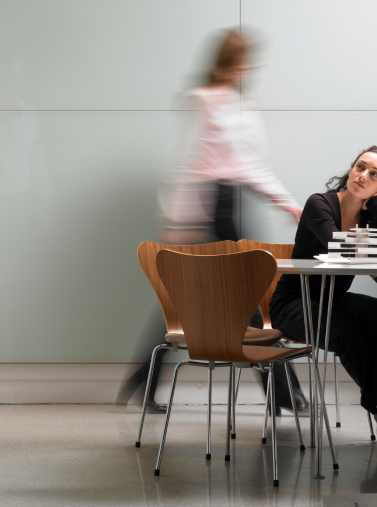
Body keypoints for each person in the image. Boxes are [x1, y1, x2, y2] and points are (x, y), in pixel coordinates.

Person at [119, 29, 307, 412]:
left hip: (233, 204)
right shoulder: (201, 101)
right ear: (229, 61)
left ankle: (143, 378)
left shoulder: (241, 105)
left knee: (220, 297)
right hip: (208, 209)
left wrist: (287, 203)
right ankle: (283, 392)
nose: (249, 65)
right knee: (242, 296)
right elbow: (185, 163)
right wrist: (176, 219)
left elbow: (251, 166)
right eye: (243, 58)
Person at [270, 146, 377, 445]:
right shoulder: (320, 204)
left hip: (332, 299)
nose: (362, 176)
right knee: (349, 334)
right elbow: (340, 248)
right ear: (351, 169)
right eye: (360, 167)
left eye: (373, 174)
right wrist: (374, 244)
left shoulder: (370, 217)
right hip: (292, 303)